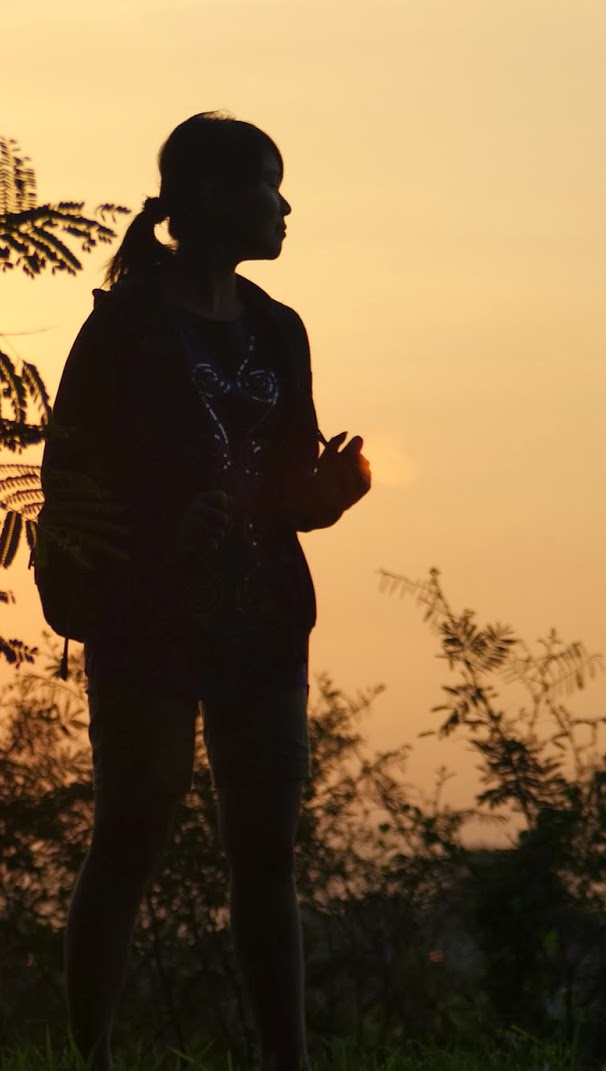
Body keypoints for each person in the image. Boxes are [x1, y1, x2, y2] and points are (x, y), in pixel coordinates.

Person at [39, 113, 371, 1071]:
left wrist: (330, 497)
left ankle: (287, 1063)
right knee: (132, 837)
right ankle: (91, 1055)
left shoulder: (278, 327)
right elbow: (70, 487)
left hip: (263, 614)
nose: (285, 205)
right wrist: (155, 539)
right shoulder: (125, 329)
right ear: (216, 198)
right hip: (148, 614)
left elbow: (287, 493)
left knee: (266, 849)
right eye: (271, 184)